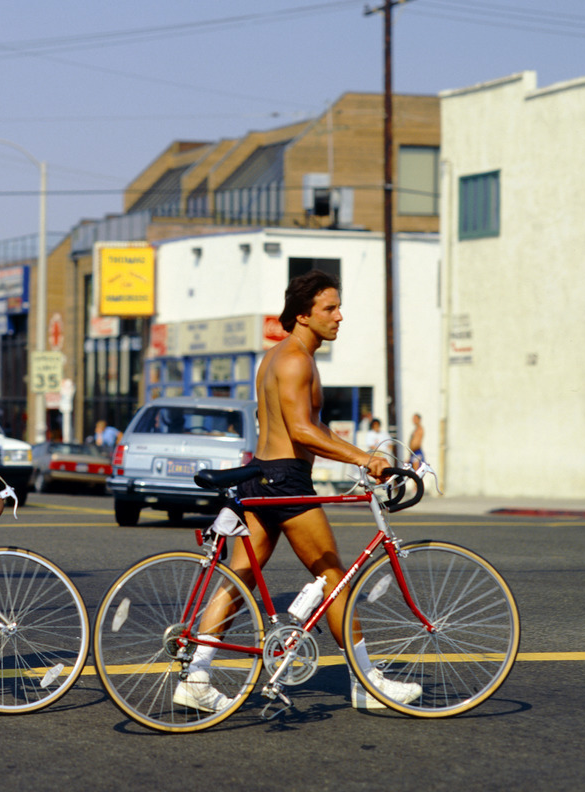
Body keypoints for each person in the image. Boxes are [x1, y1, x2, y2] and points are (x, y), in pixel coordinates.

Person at [175, 270, 421, 713]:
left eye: (339, 307)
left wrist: (360, 453)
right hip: (285, 480)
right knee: (333, 577)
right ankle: (368, 683)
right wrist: (364, 459)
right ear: (303, 315)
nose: (339, 316)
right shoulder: (295, 360)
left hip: (261, 473)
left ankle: (197, 676)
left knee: (241, 576)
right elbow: (301, 431)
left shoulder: (277, 356)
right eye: (330, 308)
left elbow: (309, 425)